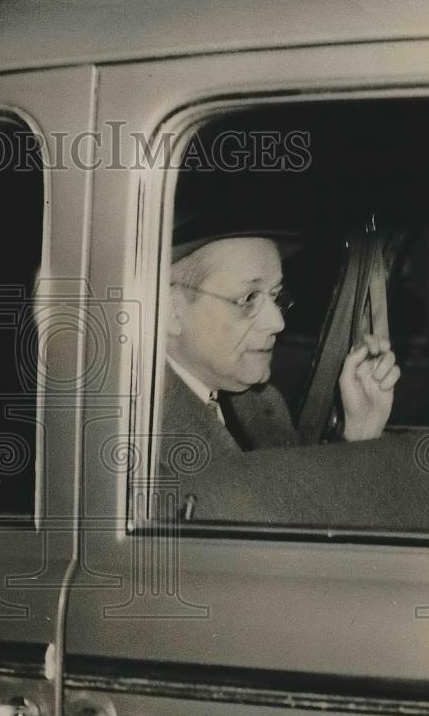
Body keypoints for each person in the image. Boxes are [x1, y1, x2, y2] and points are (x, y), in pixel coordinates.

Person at [160, 218, 400, 521]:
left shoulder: (260, 404)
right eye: (248, 299)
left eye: (275, 296)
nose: (278, 323)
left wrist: (358, 433)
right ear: (170, 311)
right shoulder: (138, 432)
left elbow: (306, 514)